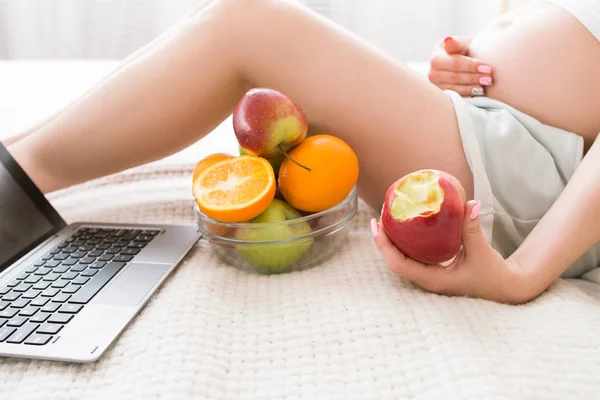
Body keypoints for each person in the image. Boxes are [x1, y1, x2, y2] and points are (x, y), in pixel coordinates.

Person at [2, 0, 599, 304]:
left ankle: (13, 191)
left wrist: (523, 275)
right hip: (498, 136)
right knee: (230, 21)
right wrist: (458, 70)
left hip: (535, 183)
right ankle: (16, 157)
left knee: (248, 26)